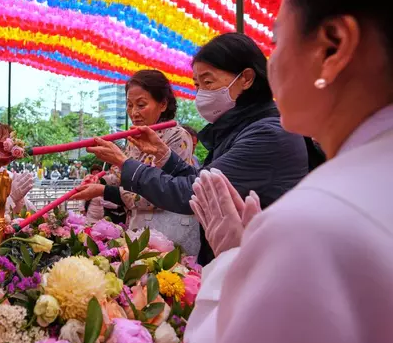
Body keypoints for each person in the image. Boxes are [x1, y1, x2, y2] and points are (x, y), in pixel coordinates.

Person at [174, 0, 393, 343]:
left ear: (333, 46)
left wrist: (230, 262)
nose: (270, 63)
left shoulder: (311, 223)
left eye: (276, 41)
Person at [77, 34, 316, 265]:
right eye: (198, 85)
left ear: (246, 79)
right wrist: (165, 157)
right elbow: (200, 178)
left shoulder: (267, 134)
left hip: (264, 263)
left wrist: (124, 165)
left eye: (209, 82)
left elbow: (192, 191)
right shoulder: (236, 129)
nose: (201, 94)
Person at [73, 70, 201, 255]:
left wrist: (104, 191)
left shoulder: (177, 136)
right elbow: (119, 177)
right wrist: (98, 181)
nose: (134, 113)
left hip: (170, 233)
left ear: (163, 104)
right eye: (129, 105)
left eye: (141, 105)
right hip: (138, 228)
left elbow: (158, 192)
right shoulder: (135, 138)